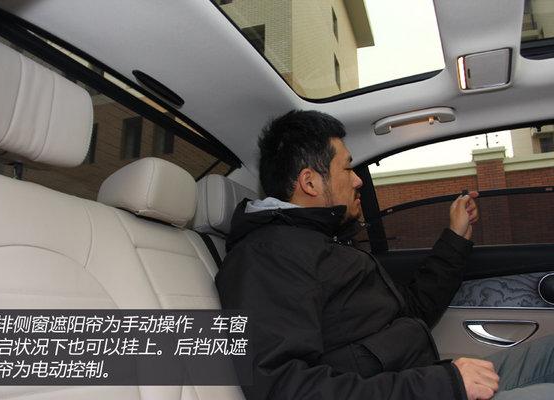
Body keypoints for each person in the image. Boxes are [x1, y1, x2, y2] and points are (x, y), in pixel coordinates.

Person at [215, 110, 554, 400]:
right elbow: (286, 389)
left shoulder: (323, 243)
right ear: (310, 182)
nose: (358, 181)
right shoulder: (266, 256)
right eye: (347, 169)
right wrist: (443, 384)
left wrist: (456, 237)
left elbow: (411, 312)